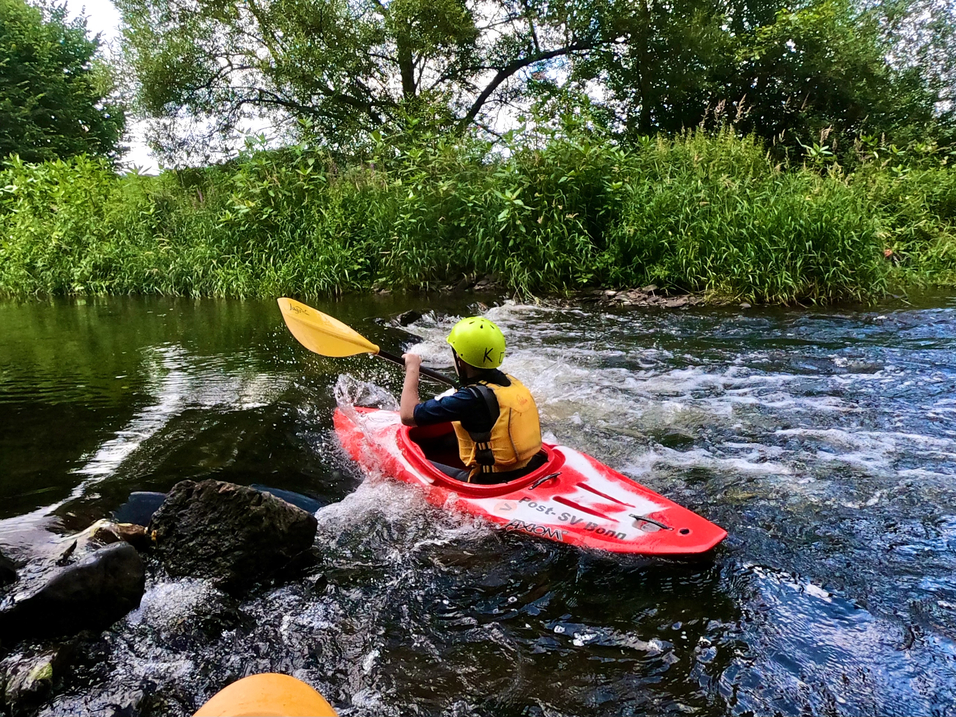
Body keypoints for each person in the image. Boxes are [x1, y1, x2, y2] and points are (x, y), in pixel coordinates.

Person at [399, 316, 543, 484]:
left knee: (406, 459)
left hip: (491, 480)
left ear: (459, 358)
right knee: (448, 440)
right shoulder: (509, 382)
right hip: (531, 466)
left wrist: (412, 368)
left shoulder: (469, 399)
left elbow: (408, 415)